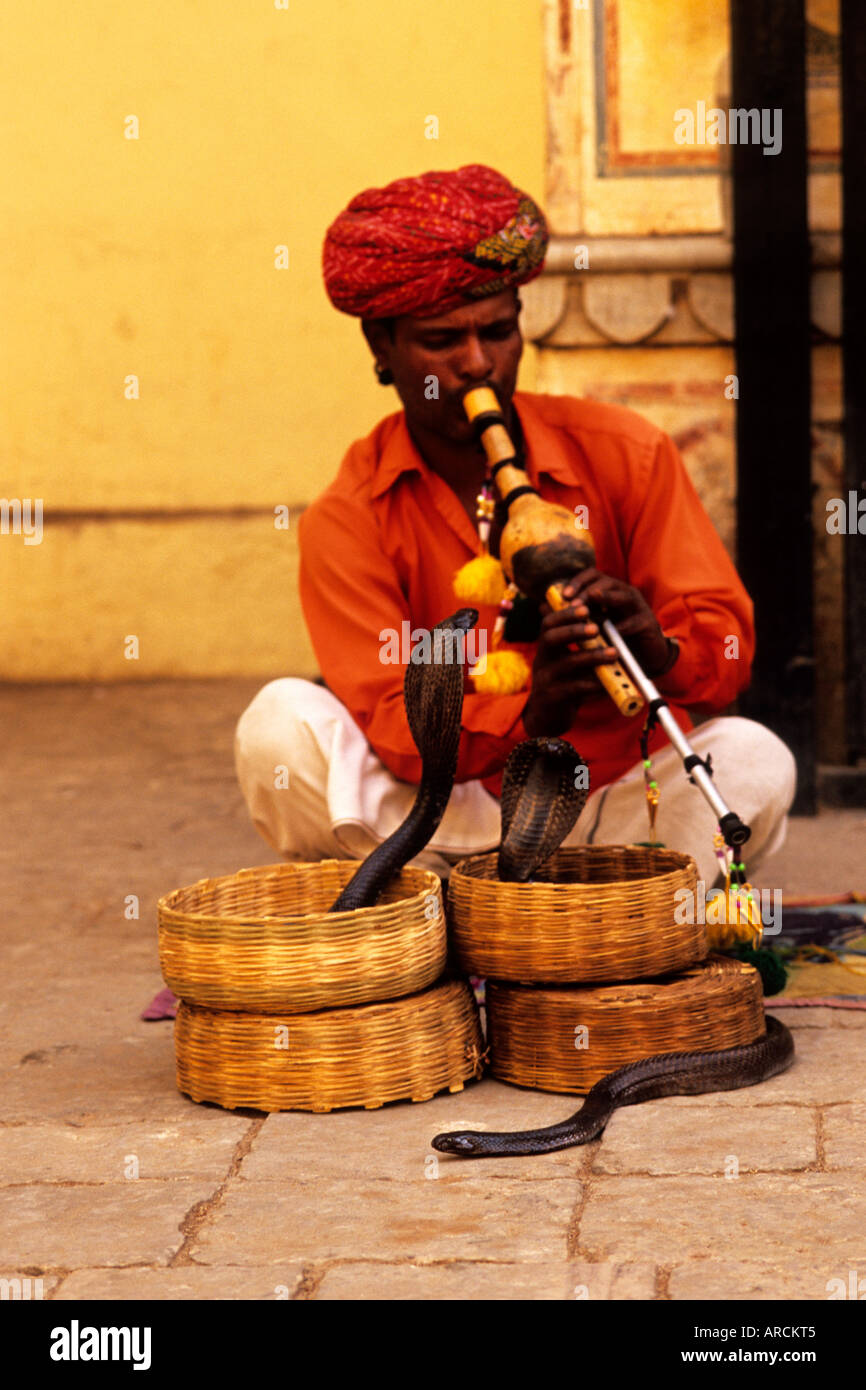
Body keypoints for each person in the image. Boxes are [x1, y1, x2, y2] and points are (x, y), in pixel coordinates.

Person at [234, 164, 796, 889]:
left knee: (754, 756)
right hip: (444, 812)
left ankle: (521, 908)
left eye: (498, 332)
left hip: (610, 799)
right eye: (442, 342)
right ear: (382, 347)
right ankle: (511, 903)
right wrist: (530, 712)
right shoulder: (351, 512)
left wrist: (653, 644)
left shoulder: (626, 452)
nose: (477, 365)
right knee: (277, 727)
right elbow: (387, 720)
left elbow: (723, 642)